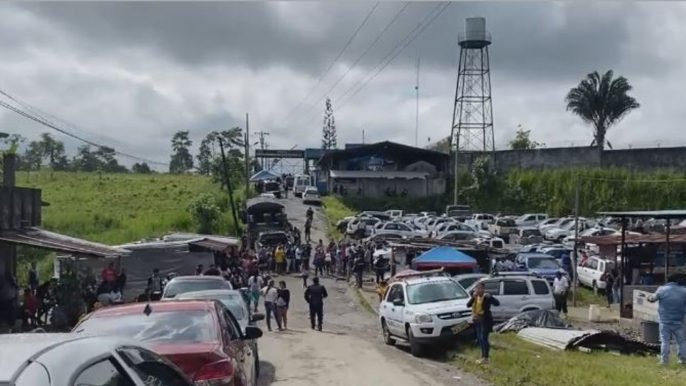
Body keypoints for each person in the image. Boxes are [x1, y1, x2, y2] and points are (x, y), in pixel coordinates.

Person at [647, 274, 686, 365]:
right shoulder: (684, 291)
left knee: (665, 341)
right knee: (681, 341)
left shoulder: (662, 289)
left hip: (665, 320)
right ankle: (682, 360)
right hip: (679, 320)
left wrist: (648, 297)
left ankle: (664, 361)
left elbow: (652, 299)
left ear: (667, 281)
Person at [467, 282, 500, 364]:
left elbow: (497, 303)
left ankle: (486, 357)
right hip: (477, 319)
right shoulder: (475, 297)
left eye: (481, 288)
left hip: (485, 320)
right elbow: (468, 305)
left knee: (483, 338)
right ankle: (482, 356)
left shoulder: (486, 297)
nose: (479, 290)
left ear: (484, 289)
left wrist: (491, 297)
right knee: (479, 338)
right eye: (478, 288)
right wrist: (472, 298)